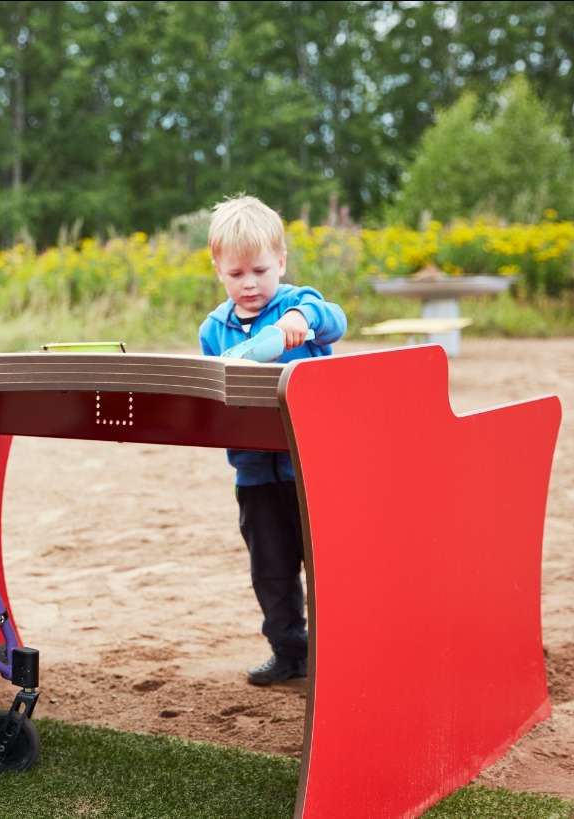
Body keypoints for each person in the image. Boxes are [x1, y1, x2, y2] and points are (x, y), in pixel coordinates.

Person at [198, 193, 347, 686]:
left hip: (311, 467)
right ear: (218, 269)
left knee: (328, 566)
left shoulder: (298, 306)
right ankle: (289, 651)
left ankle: (341, 655)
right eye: (237, 273)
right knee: (271, 572)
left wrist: (300, 324)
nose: (250, 283)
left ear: (281, 262)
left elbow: (335, 319)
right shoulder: (213, 329)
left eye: (260, 270)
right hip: (255, 472)